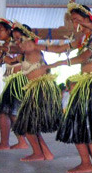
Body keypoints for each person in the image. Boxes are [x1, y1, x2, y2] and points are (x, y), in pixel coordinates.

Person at [45, 3, 92, 173]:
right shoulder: (82, 38)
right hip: (84, 84)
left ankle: (91, 163)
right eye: (73, 20)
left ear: (88, 19)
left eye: (78, 19)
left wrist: (61, 63)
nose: (75, 23)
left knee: (79, 123)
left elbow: (85, 56)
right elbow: (60, 48)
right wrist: (39, 46)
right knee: (80, 124)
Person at [11, 23, 61, 162]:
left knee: (26, 124)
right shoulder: (24, 54)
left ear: (28, 37)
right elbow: (9, 59)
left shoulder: (32, 49)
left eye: (19, 39)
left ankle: (38, 153)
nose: (17, 43)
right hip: (34, 90)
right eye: (15, 40)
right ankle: (45, 153)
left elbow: (13, 51)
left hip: (40, 90)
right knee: (30, 124)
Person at [0, 18, 29, 150]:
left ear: (9, 31)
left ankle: (17, 142)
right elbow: (2, 61)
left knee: (10, 113)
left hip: (18, 81)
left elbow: (11, 57)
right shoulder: (8, 45)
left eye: (1, 30)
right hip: (12, 81)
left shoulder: (17, 44)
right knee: (7, 113)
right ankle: (14, 142)